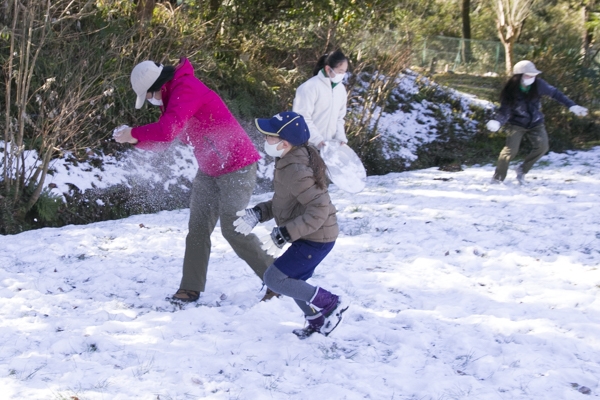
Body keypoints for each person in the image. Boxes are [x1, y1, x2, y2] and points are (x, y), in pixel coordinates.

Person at [113, 58, 275, 303]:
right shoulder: (171, 96)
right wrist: (135, 140)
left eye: (147, 96)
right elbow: (168, 137)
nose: (149, 101)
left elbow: (166, 130)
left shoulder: (185, 89)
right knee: (197, 229)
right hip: (210, 168)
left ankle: (278, 279)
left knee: (233, 229)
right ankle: (190, 287)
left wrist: (134, 133)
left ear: (156, 86)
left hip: (237, 166)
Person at [233, 111, 348, 338]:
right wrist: (259, 212)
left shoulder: (296, 169)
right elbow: (285, 202)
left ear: (284, 143)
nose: (265, 140)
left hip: (317, 238)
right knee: (292, 280)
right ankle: (317, 321)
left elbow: (319, 208)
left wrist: (286, 234)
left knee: (274, 278)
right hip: (312, 235)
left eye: (269, 137)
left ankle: (332, 303)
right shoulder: (289, 161)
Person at [486, 60, 588, 184]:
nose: (532, 78)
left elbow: (556, 94)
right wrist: (498, 122)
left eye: (534, 75)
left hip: (536, 122)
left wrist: (572, 106)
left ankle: (522, 170)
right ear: (518, 76)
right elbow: (505, 111)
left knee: (542, 147)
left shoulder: (539, 84)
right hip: (517, 123)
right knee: (510, 151)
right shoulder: (511, 91)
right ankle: (498, 178)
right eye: (529, 75)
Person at [293, 49, 349, 149]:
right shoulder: (310, 87)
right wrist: (317, 139)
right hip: (306, 146)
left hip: (328, 148)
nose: (342, 75)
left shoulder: (341, 90)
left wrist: (340, 137)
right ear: (328, 69)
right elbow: (302, 118)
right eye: (340, 72)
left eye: (344, 72)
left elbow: (339, 118)